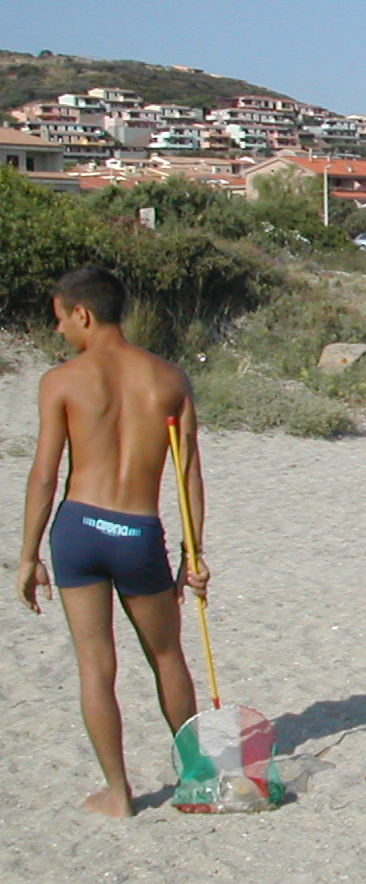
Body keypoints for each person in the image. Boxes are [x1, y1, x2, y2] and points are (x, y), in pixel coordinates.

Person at [17, 267, 208, 818]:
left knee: (95, 668)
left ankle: (118, 793)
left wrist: (28, 556)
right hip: (137, 534)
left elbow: (45, 477)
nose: (59, 331)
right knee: (167, 657)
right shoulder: (169, 379)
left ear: (83, 313)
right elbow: (189, 475)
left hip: (78, 529)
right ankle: (196, 777)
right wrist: (193, 556)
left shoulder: (61, 380)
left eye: (60, 319)